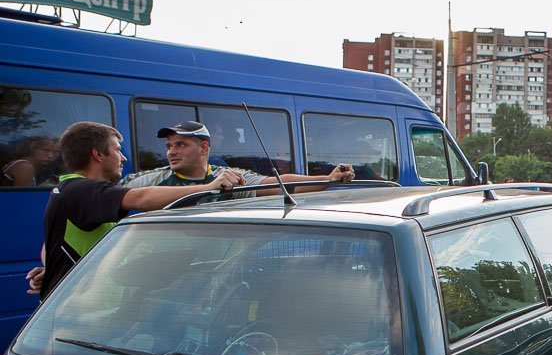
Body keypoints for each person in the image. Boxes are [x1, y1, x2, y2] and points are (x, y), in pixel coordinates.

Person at [27, 121, 240, 300]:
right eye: (118, 150)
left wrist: (54, 270)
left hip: (84, 310)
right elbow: (141, 198)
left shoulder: (77, 192)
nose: (124, 158)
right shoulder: (81, 190)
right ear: (98, 154)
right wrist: (209, 187)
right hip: (79, 313)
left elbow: (51, 245)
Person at [120, 120, 354, 193]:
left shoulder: (229, 178)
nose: (172, 151)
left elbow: (277, 185)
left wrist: (328, 179)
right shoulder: (150, 180)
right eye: (170, 145)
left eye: (181, 145)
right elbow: (111, 195)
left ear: (204, 148)